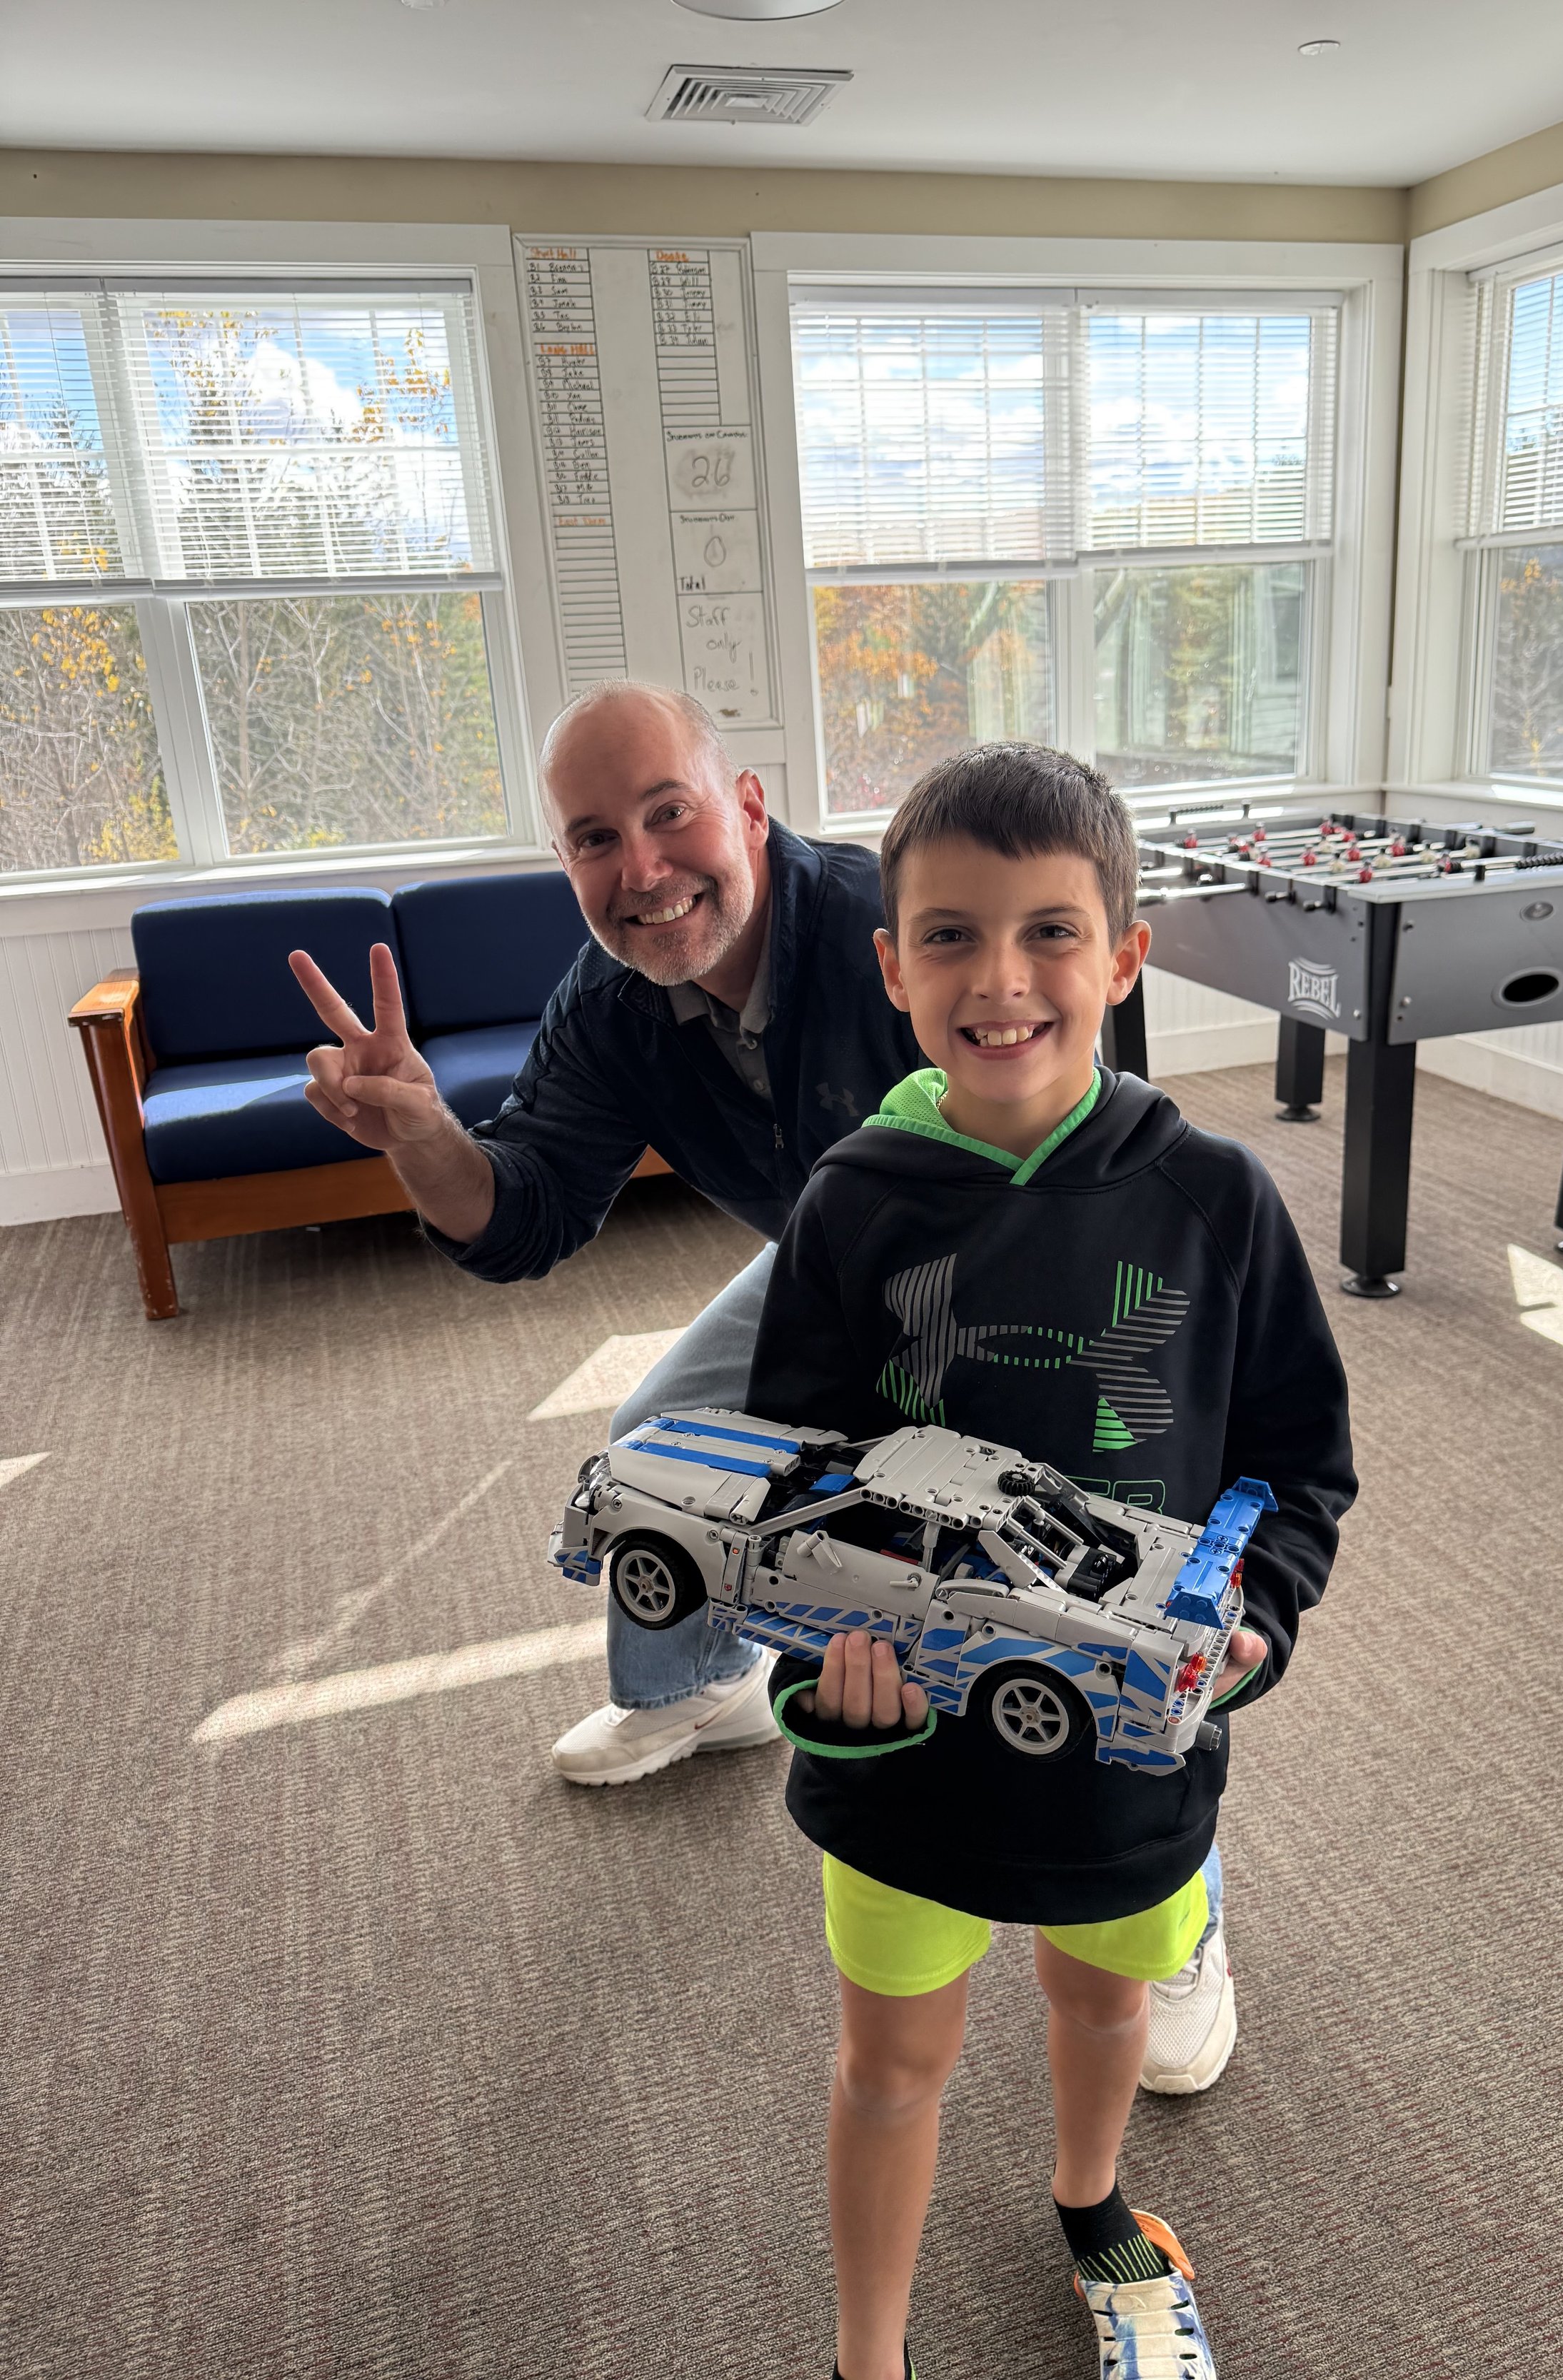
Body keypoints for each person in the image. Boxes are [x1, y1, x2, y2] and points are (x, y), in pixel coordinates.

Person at [288, 683, 1243, 2094]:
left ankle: (1177, 1914)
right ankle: (696, 1679)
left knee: (1094, 1574)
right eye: (594, 837)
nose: (642, 867)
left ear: (743, 807)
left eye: (668, 811)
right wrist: (424, 1132)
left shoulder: (887, 927)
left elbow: (1081, 1123)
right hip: (833, 1262)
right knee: (654, 1441)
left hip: (1035, 1262)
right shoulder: (612, 1002)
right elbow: (523, 1218)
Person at [740, 743, 1355, 2379]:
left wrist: (1260, 1617)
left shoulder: (1215, 1198)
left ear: (1125, 955)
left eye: (1048, 932)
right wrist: (824, 1659)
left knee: (1103, 2007)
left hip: (1127, 1741)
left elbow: (1295, 1456)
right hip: (903, 1748)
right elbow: (785, 1480)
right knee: (891, 2059)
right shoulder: (850, 1206)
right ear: (889, 962)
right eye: (946, 933)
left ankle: (1089, 2197)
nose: (997, 978)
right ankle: (865, 2355)